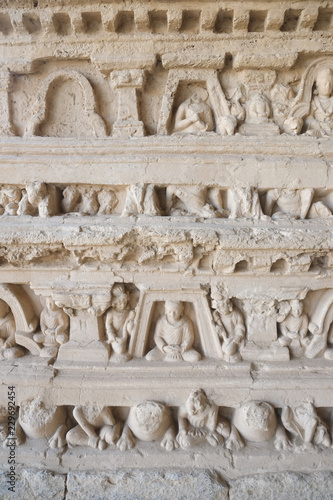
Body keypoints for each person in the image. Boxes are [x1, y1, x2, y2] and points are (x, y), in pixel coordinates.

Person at [105, 284, 136, 361]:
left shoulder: (128, 311)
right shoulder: (111, 312)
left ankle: (132, 345)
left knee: (131, 326)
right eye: (119, 302)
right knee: (120, 351)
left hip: (125, 334)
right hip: (115, 335)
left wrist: (131, 318)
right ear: (114, 301)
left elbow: (131, 320)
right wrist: (111, 334)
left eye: (124, 302)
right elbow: (108, 324)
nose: (122, 305)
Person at [212, 297, 245, 363]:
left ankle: (235, 354)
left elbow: (240, 326)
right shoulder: (217, 314)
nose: (219, 309)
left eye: (222, 307)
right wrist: (217, 328)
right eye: (218, 307)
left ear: (229, 306)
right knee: (223, 349)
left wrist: (238, 337)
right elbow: (216, 325)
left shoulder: (236, 313)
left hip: (234, 338)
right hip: (225, 337)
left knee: (228, 351)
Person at [306, 67, 333, 137]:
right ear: (318, 85)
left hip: (330, 127)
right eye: (325, 84)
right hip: (319, 128)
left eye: (331, 84)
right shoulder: (314, 101)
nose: (328, 86)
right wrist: (320, 124)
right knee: (310, 132)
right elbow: (308, 119)